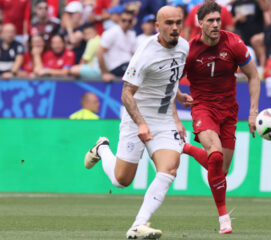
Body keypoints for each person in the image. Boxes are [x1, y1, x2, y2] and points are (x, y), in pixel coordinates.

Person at [84, 6, 192, 239]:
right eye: (169, 23)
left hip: (163, 120)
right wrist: (141, 124)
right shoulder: (145, 54)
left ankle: (138, 225)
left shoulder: (184, 46)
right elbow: (126, 94)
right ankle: (102, 148)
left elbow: (169, 79)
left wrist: (179, 95)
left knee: (169, 169)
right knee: (122, 180)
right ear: (158, 26)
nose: (174, 28)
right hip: (137, 119)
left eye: (178, 23)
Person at [182, 1, 260, 234]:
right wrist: (176, 105)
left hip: (228, 111)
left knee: (221, 170)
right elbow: (170, 81)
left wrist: (253, 112)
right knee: (214, 155)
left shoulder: (234, 43)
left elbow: (254, 76)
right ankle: (224, 217)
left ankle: (183, 147)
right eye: (211, 21)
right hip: (203, 108)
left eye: (218, 20)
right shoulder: (189, 50)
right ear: (200, 23)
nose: (216, 25)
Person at [97, 10, 137, 82]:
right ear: (119, 19)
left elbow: (134, 54)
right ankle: (128, 79)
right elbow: (99, 52)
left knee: (141, 68)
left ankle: (127, 79)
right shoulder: (111, 32)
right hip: (116, 67)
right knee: (135, 71)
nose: (126, 23)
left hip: (128, 67)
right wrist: (104, 73)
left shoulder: (132, 34)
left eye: (129, 21)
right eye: (124, 20)